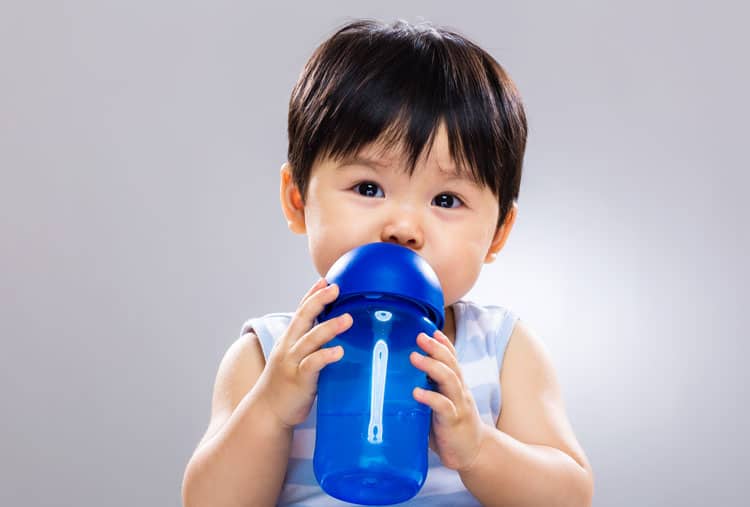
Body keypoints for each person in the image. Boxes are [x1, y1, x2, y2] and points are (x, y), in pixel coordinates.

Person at [182, 18, 594, 507]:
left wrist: (480, 449)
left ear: (498, 233)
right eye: (368, 188)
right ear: (297, 200)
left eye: (446, 199)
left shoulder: (502, 352)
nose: (403, 227)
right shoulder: (267, 355)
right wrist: (271, 409)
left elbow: (570, 497)